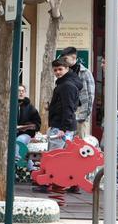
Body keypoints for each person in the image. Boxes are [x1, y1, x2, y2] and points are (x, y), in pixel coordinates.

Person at [41, 57, 81, 192]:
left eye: (60, 69)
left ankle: (52, 183)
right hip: (64, 125)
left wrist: (63, 128)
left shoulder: (66, 86)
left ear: (67, 68)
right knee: (66, 157)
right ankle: (73, 183)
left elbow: (68, 108)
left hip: (61, 126)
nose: (57, 72)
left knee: (54, 156)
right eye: (55, 70)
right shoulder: (67, 83)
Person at [61, 47, 95, 138]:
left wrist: (86, 113)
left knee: (80, 141)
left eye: (65, 59)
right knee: (66, 141)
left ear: (73, 57)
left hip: (80, 110)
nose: (63, 61)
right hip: (67, 110)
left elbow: (91, 94)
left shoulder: (85, 72)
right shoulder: (63, 72)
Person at [16, 85, 42, 168]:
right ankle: (31, 168)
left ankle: (19, 159)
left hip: (25, 133)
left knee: (19, 141)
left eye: (22, 91)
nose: (20, 92)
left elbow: (37, 123)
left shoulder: (30, 107)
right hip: (11, 133)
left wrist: (27, 126)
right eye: (18, 91)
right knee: (17, 145)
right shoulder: (9, 106)